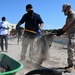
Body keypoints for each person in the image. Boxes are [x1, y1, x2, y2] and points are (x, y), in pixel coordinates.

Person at [56, 4, 75, 72]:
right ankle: (71, 65)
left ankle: (71, 66)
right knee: (72, 50)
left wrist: (61, 31)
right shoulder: (69, 16)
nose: (64, 12)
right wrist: (61, 31)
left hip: (73, 35)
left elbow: (67, 25)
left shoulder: (72, 14)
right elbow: (66, 25)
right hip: (71, 34)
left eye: (64, 10)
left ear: (68, 8)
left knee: (71, 50)